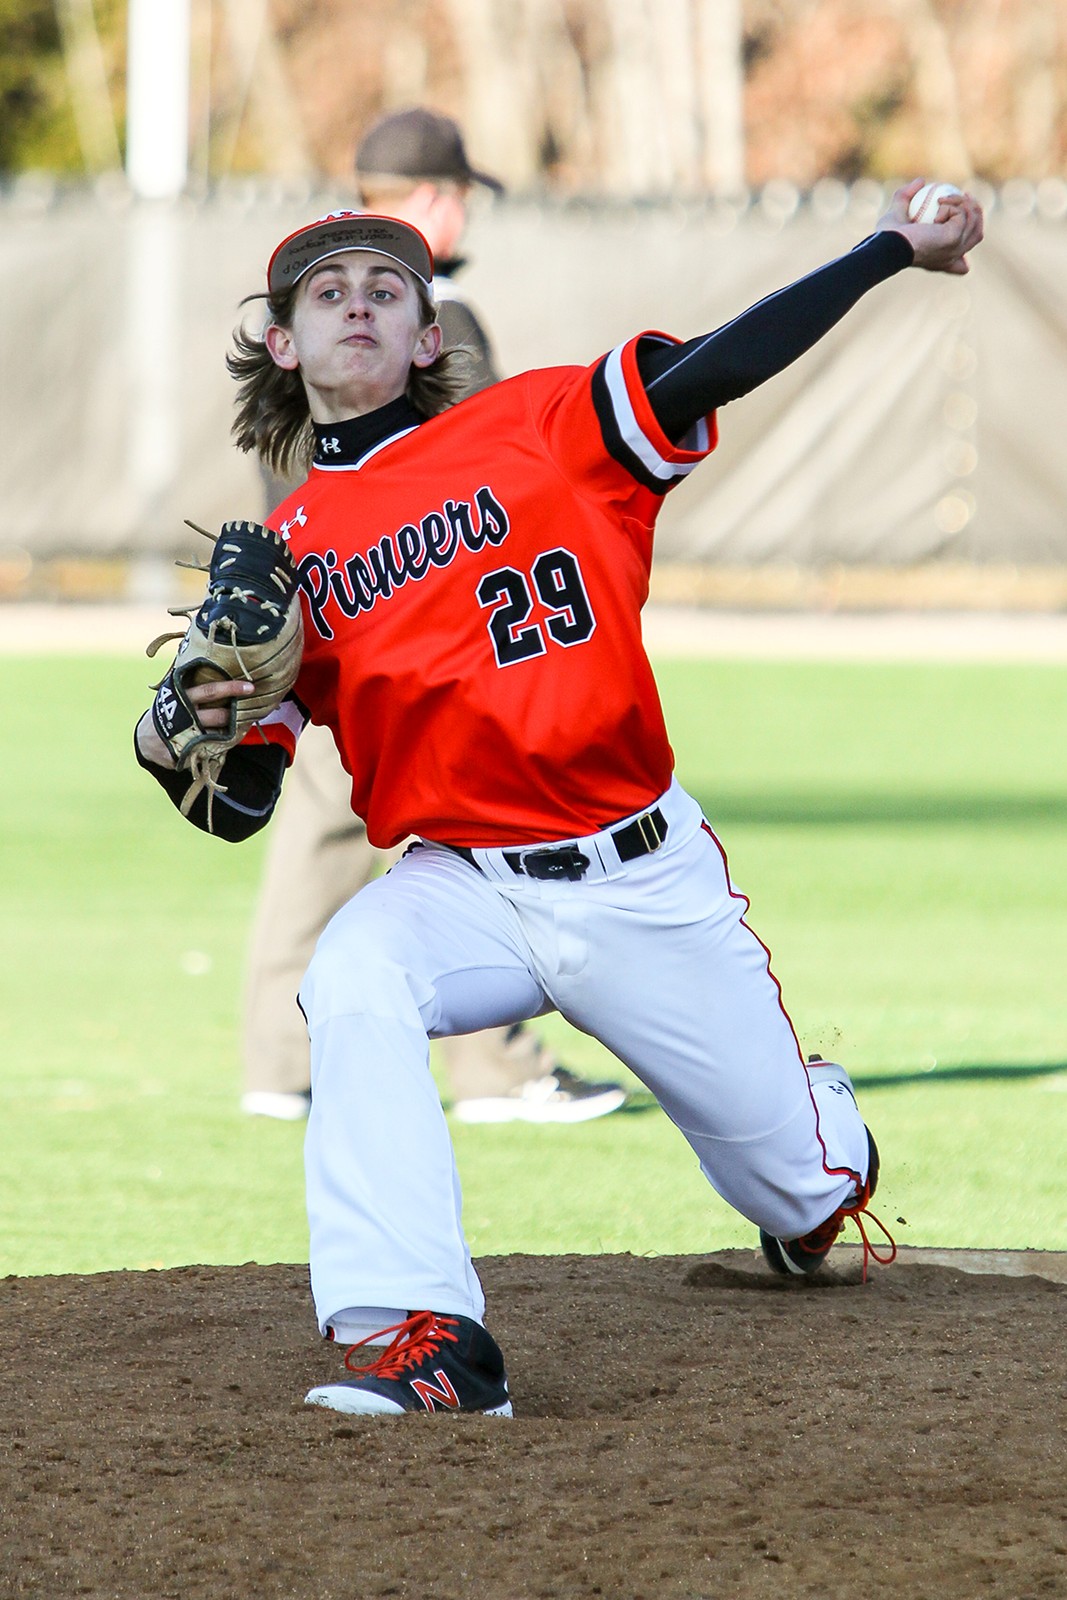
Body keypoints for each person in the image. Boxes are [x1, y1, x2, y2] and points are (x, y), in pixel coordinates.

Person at [135, 179, 983, 1417]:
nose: (358, 305)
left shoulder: (539, 423)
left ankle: (823, 1137)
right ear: (282, 342)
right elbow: (239, 806)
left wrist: (887, 249)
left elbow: (715, 364)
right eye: (327, 294)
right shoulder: (288, 561)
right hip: (463, 885)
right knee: (355, 968)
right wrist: (178, 733)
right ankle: (425, 1336)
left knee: (801, 1194)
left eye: (386, 289)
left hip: (639, 879)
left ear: (428, 334)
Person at [242, 106, 626, 1126]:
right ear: (432, 198)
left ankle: (277, 1059)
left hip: (308, 609)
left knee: (318, 836)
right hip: (410, 622)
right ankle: (494, 1067)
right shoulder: (427, 317)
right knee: (461, 833)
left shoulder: (310, 304)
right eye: (458, 194)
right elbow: (486, 480)